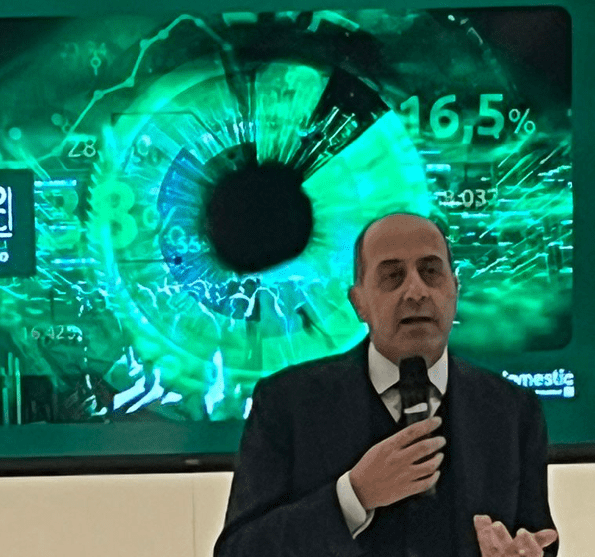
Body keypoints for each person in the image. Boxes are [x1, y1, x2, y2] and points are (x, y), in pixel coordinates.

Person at [214, 213, 559, 557]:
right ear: (359, 303)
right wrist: (354, 496)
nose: (416, 292)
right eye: (393, 276)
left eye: (431, 272)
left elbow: (539, 538)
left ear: (455, 289)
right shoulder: (286, 404)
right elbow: (238, 552)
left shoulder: (513, 410)